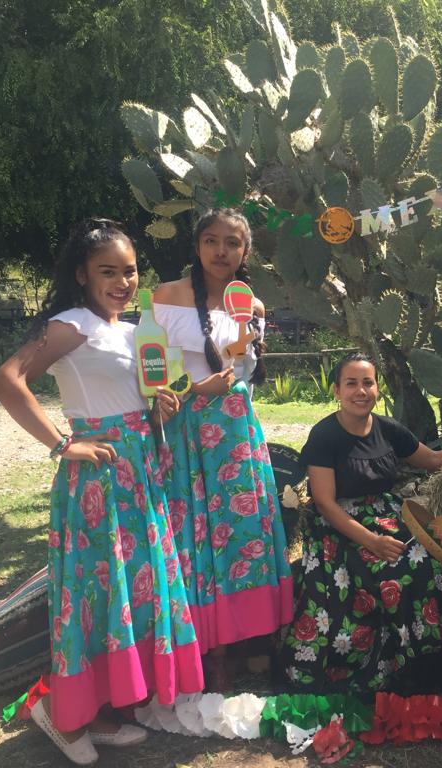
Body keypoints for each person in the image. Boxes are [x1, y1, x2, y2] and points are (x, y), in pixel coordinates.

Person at [0, 218, 203, 765]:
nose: (122, 282)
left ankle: (102, 711)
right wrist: (63, 444)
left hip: (140, 474)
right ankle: (60, 712)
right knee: (92, 593)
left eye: (130, 271)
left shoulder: (133, 333)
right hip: (98, 479)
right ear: (82, 273)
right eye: (108, 271)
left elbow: (136, 401)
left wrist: (159, 410)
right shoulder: (72, 325)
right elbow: (7, 380)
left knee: (129, 592)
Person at [153, 208, 292, 691]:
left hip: (236, 434)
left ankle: (251, 636)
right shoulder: (167, 297)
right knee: (193, 531)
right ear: (197, 246)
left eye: (232, 242)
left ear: (245, 250)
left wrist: (222, 388)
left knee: (242, 530)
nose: (221, 251)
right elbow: (150, 373)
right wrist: (194, 391)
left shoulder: (251, 305)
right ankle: (208, 646)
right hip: (187, 433)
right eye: (211, 240)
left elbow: (244, 372)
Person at [279, 353, 442, 693]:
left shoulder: (388, 429)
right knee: (398, 570)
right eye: (351, 383)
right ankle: (387, 665)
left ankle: (424, 664)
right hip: (340, 527)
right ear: (337, 390)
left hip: (388, 517)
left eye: (367, 383)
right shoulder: (325, 435)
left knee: (434, 563)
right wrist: (372, 541)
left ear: (377, 388)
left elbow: (432, 459)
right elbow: (324, 502)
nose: (360, 391)